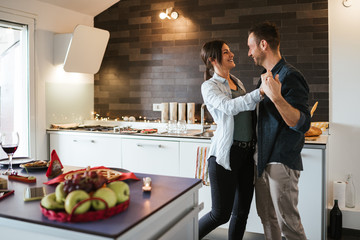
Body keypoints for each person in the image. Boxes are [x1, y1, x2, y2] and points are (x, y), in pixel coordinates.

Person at [247, 21, 311, 240]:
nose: (249, 53)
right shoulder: (264, 77)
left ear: (263, 44)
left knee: (289, 226)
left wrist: (276, 97)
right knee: (267, 219)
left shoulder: (290, 76)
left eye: (251, 47)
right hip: (262, 160)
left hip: (281, 161)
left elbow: (302, 123)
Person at [199, 40, 264, 239]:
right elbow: (229, 107)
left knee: (242, 212)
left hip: (246, 154)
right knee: (220, 214)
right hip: (226, 155)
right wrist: (260, 92)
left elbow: (249, 111)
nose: (232, 54)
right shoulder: (209, 86)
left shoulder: (238, 82)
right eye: (225, 52)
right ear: (213, 59)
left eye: (230, 50)